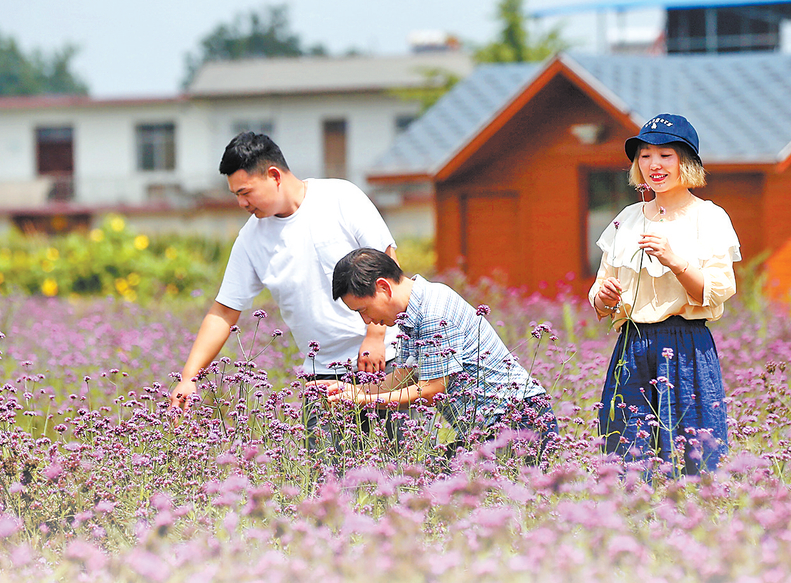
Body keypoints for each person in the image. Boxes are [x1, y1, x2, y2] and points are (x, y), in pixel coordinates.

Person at [168, 132, 399, 428]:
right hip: (322, 376)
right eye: (236, 195)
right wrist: (189, 377)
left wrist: (375, 336)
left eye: (245, 192)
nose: (241, 203)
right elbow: (224, 312)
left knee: (399, 467)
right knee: (327, 472)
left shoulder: (341, 198)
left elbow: (388, 265)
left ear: (274, 176)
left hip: (384, 361)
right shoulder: (250, 239)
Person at [588, 114, 740, 475]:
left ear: (686, 162)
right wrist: (604, 296)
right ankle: (632, 525)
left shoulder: (709, 217)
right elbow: (598, 291)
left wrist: (674, 260)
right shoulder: (626, 218)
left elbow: (717, 291)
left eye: (665, 155)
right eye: (645, 155)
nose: (653, 165)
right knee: (625, 453)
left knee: (694, 455)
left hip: (686, 344)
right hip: (632, 345)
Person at [326, 248, 558, 461]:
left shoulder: (433, 313)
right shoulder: (413, 311)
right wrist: (353, 390)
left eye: (363, 310)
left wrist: (365, 401)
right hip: (489, 428)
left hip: (520, 421)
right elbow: (406, 376)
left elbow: (431, 390)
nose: (366, 321)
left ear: (383, 287)